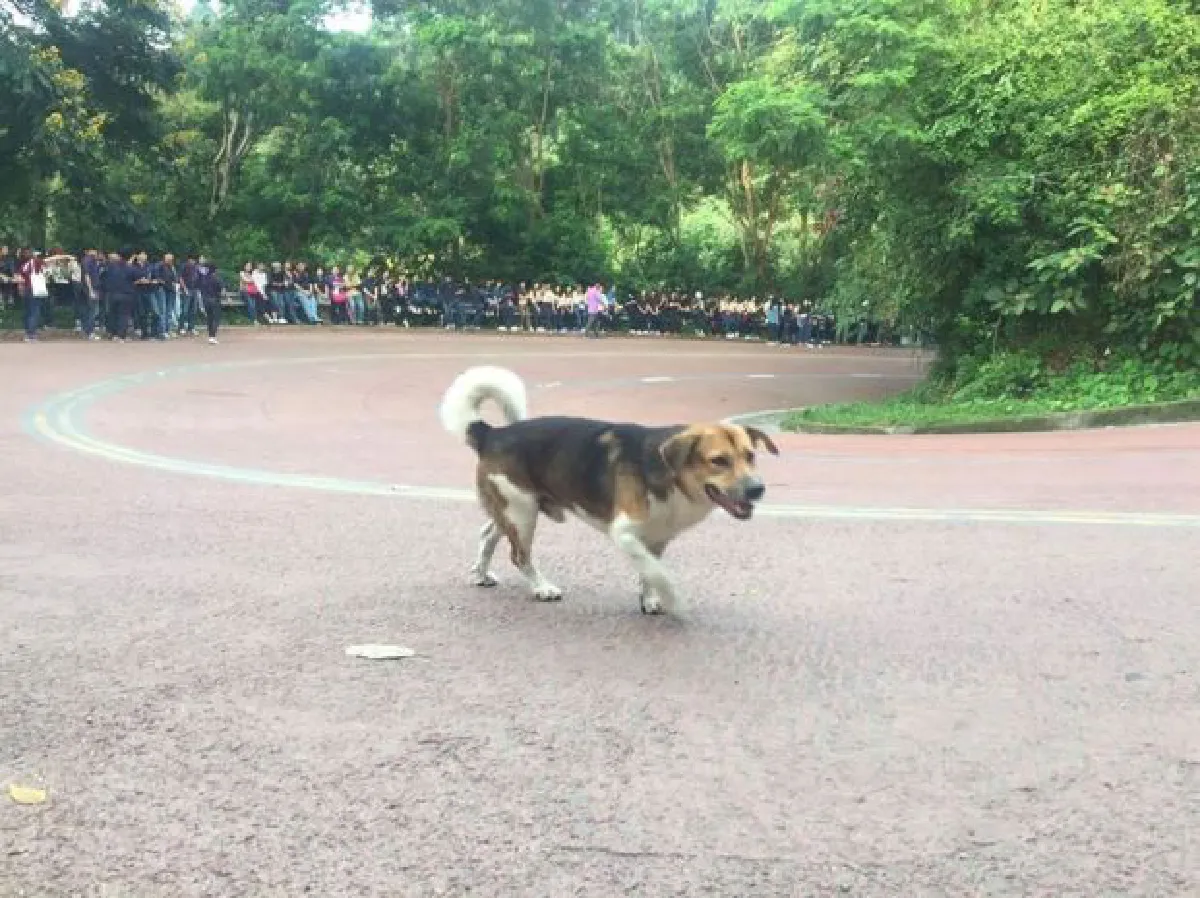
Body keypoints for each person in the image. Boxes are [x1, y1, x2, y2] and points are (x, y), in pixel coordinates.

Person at [99, 250, 137, 341]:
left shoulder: (111, 267)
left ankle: (113, 334)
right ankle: (121, 335)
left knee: (113, 315)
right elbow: (137, 276)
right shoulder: (130, 268)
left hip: (113, 294)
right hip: (126, 294)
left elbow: (104, 276)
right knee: (123, 315)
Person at [19, 250, 49, 342]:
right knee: (34, 312)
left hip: (27, 290)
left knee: (28, 312)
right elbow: (47, 265)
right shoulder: (37, 262)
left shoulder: (24, 265)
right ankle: (32, 335)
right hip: (35, 290)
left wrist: (21, 290)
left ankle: (27, 333)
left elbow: (20, 278)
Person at [196, 256, 224, 344]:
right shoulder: (216, 278)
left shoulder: (204, 278)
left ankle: (210, 336)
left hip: (205, 300)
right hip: (215, 300)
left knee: (209, 318)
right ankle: (213, 336)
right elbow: (222, 290)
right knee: (216, 318)